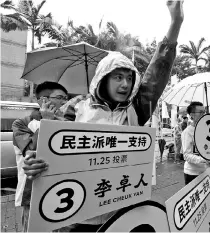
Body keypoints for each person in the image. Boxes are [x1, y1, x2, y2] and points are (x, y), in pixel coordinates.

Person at [22, 1, 184, 231]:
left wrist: (175, 23)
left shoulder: (135, 110)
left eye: (129, 78)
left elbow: (157, 74)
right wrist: (33, 162)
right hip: (76, 221)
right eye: (117, 77)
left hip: (121, 217)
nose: (125, 84)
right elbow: (49, 149)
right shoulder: (75, 108)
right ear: (103, 78)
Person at [12, 81, 68, 232]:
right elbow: (33, 151)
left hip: (61, 193)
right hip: (31, 195)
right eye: (60, 98)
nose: (65, 102)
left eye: (66, 98)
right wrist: (47, 122)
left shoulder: (66, 124)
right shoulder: (22, 123)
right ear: (43, 100)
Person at [182, 101, 210, 185]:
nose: (203, 114)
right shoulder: (187, 132)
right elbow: (186, 155)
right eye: (200, 112)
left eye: (204, 112)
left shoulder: (207, 130)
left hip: (206, 171)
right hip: (192, 173)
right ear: (192, 115)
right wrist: (203, 160)